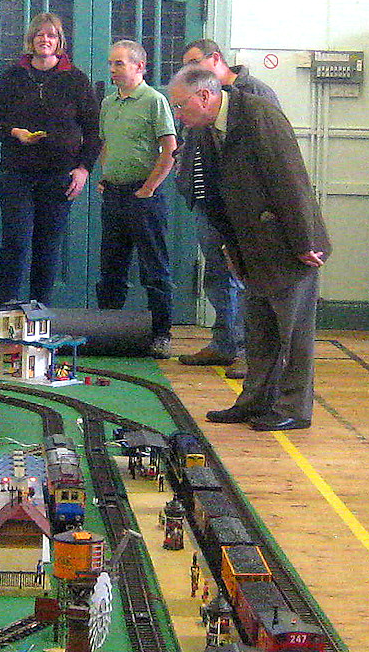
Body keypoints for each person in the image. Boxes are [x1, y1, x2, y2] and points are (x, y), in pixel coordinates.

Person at [168, 65, 330, 431]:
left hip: (289, 245)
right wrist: (230, 246)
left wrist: (304, 242)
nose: (178, 114)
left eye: (180, 105)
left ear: (205, 96)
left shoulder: (260, 116)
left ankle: (294, 409)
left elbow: (291, 180)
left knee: (294, 333)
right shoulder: (207, 129)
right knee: (259, 330)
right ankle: (255, 401)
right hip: (250, 246)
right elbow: (216, 196)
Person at [175, 40, 281, 378]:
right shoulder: (198, 101)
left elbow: (272, 154)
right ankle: (225, 343)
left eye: (195, 62)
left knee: (249, 280)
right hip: (209, 203)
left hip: (243, 207)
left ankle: (253, 353)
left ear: (216, 59)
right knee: (217, 276)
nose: (190, 70)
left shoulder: (254, 94)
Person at [0, 14, 100, 305]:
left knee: (47, 247)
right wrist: (15, 133)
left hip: (59, 176)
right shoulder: (12, 77)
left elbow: (94, 131)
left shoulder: (76, 79)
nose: (45, 40)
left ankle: (39, 314)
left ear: (59, 41)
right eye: (39, 35)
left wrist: (84, 169)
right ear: (31, 40)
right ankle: (6, 313)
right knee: (15, 244)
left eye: (51, 35)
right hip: (17, 174)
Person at [96, 40, 177, 358]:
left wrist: (149, 188)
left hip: (144, 197)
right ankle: (107, 332)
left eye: (119, 63)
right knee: (111, 268)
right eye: (111, 63)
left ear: (140, 66)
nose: (112, 69)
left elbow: (170, 150)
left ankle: (161, 334)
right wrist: (105, 176)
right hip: (113, 195)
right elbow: (106, 143)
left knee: (154, 269)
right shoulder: (108, 103)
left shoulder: (154, 101)